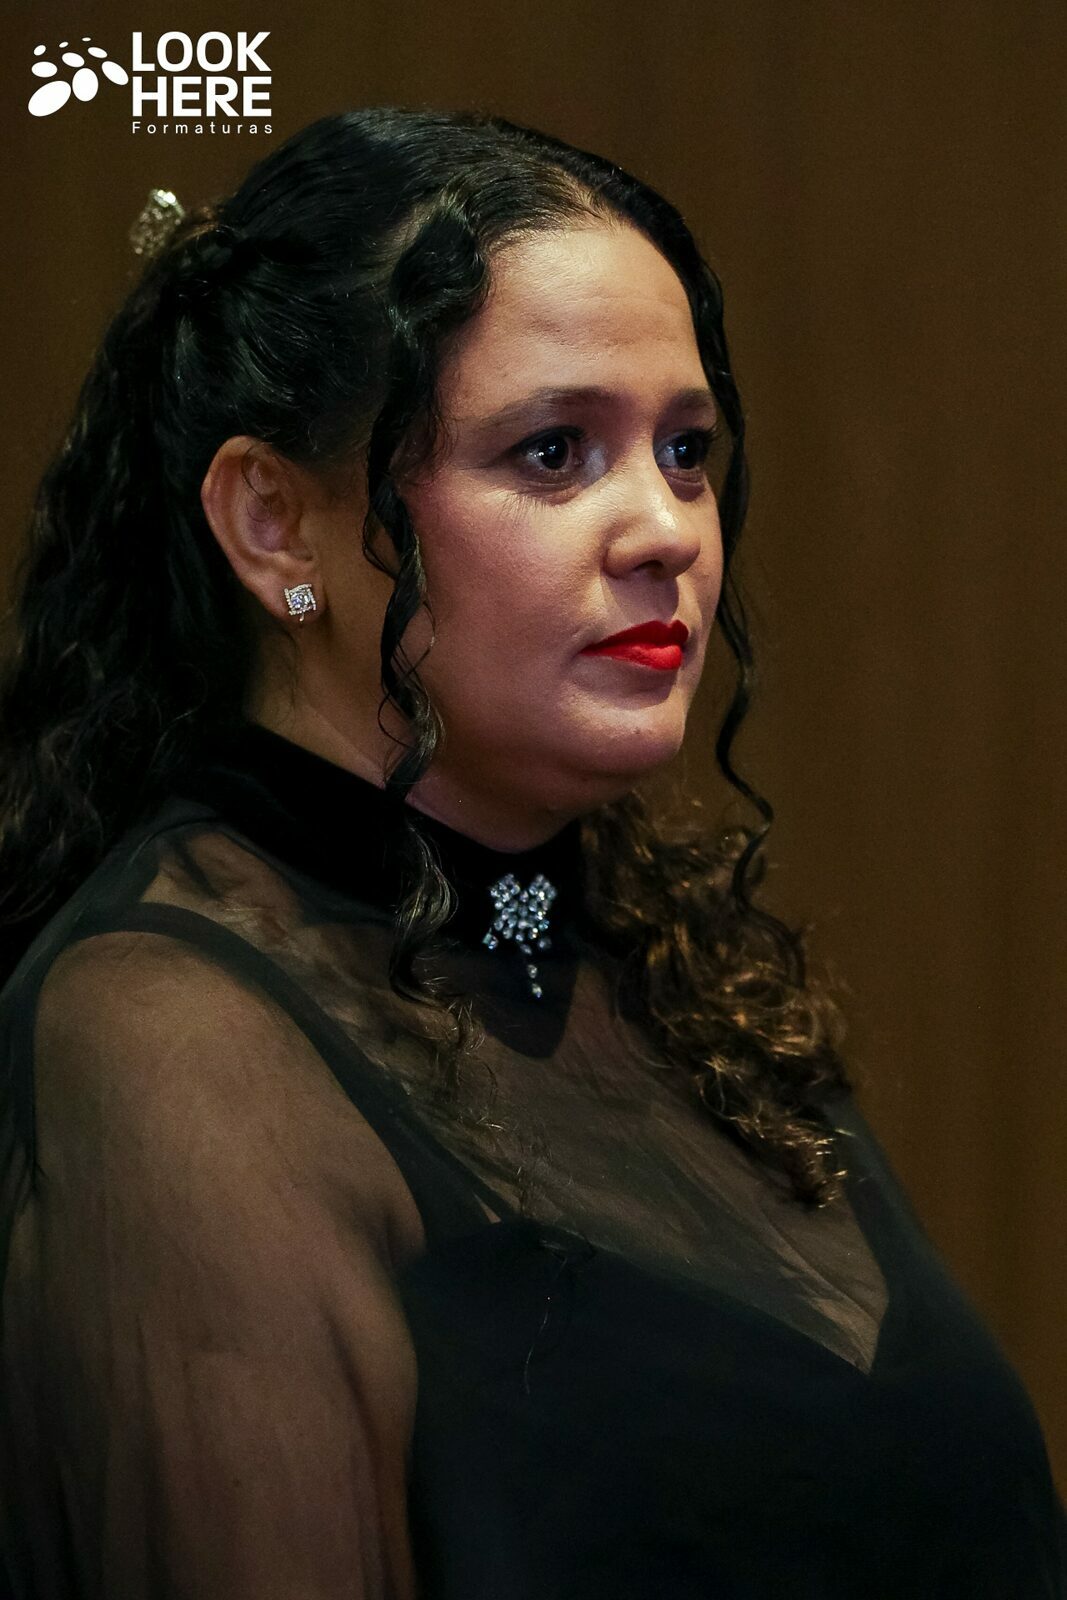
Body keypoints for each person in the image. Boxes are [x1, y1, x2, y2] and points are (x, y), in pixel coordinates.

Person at [0, 106, 1062, 1600]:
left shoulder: (667, 966)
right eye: (554, 451)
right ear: (274, 524)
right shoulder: (168, 1038)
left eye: (685, 451)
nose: (666, 529)